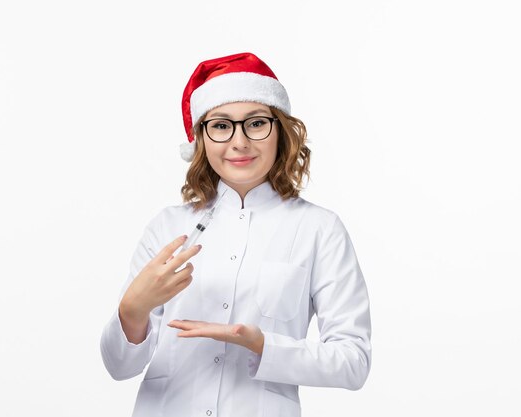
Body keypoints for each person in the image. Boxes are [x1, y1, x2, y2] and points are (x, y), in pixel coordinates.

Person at [100, 52, 372, 417]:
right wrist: (132, 311)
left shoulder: (319, 230)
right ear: (201, 139)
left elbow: (353, 361)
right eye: (221, 126)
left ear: (281, 132)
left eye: (256, 124)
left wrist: (264, 346)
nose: (239, 142)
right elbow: (120, 367)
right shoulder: (167, 227)